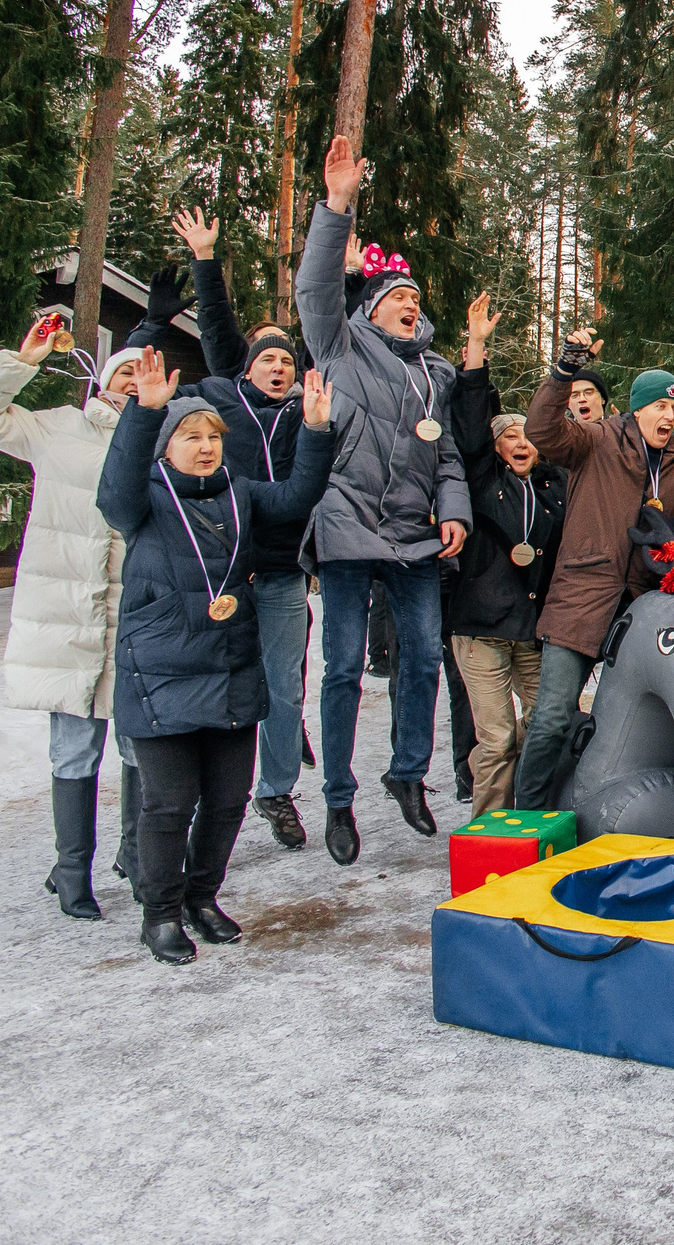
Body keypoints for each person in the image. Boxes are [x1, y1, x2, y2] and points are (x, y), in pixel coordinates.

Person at [97, 349, 336, 963]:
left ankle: (203, 898)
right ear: (166, 446)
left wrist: (313, 431)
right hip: (163, 675)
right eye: (190, 436)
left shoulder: (242, 494)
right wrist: (145, 414)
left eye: (213, 436)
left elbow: (300, 496)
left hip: (230, 668)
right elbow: (113, 488)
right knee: (170, 804)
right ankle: (160, 913)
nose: (205, 446)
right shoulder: (143, 502)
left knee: (228, 801)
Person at [296, 137, 473, 863]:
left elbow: (448, 453)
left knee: (425, 656)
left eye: (416, 300)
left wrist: (453, 508)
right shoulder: (339, 347)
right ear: (371, 309)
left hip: (413, 536)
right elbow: (314, 290)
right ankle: (338, 799)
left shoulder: (436, 372)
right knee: (341, 665)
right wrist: (337, 205)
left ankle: (406, 774)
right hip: (345, 528)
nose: (411, 305)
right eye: (398, 297)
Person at [0, 325, 149, 920]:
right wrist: (24, 360)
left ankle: (137, 857)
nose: (133, 382)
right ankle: (71, 870)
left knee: (142, 744)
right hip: (66, 610)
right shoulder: (59, 426)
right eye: (124, 373)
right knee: (75, 747)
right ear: (103, 379)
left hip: (136, 612)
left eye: (145, 374)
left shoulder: (166, 438)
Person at [511, 303, 674, 809]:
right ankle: (525, 818)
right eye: (660, 406)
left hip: (642, 603)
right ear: (637, 408)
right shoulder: (596, 441)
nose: (669, 416)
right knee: (551, 715)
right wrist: (564, 371)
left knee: (638, 717)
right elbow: (542, 431)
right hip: (584, 593)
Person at [166, 208, 321, 850]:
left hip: (282, 576)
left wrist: (338, 273)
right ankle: (205, 795)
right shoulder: (223, 400)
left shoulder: (302, 414)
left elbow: (324, 329)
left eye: (288, 359)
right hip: (223, 573)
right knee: (220, 689)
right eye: (269, 359)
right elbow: (219, 331)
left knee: (283, 690)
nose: (279, 365)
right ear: (247, 369)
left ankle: (277, 791)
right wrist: (205, 259)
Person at [445, 297, 563, 817]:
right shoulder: (481, 480)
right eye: (508, 436)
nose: (520, 441)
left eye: (527, 436)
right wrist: (476, 346)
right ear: (494, 449)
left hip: (532, 630)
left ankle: (539, 817)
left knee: (549, 724)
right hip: (481, 629)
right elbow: (471, 421)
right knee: (495, 740)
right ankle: (489, 832)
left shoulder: (553, 486)